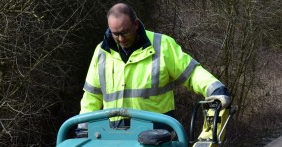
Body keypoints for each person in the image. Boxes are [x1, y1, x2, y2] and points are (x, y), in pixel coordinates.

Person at [80, 3, 231, 123]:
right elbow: (92, 96)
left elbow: (191, 73)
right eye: (115, 34)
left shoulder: (162, 45)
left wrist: (215, 88)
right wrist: (83, 126)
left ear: (136, 25)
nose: (121, 39)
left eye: (125, 32)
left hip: (157, 136)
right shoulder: (101, 52)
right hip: (113, 137)